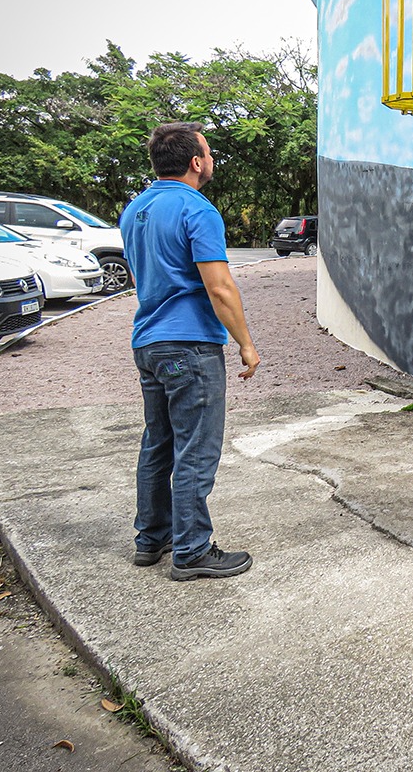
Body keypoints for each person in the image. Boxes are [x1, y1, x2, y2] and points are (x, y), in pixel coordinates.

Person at [120, 122, 261, 581]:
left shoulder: (135, 210)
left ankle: (151, 538)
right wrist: (245, 343)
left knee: (158, 442)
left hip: (148, 343)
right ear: (196, 162)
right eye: (209, 153)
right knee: (196, 449)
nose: (212, 160)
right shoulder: (197, 210)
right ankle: (192, 549)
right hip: (189, 346)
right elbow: (219, 287)